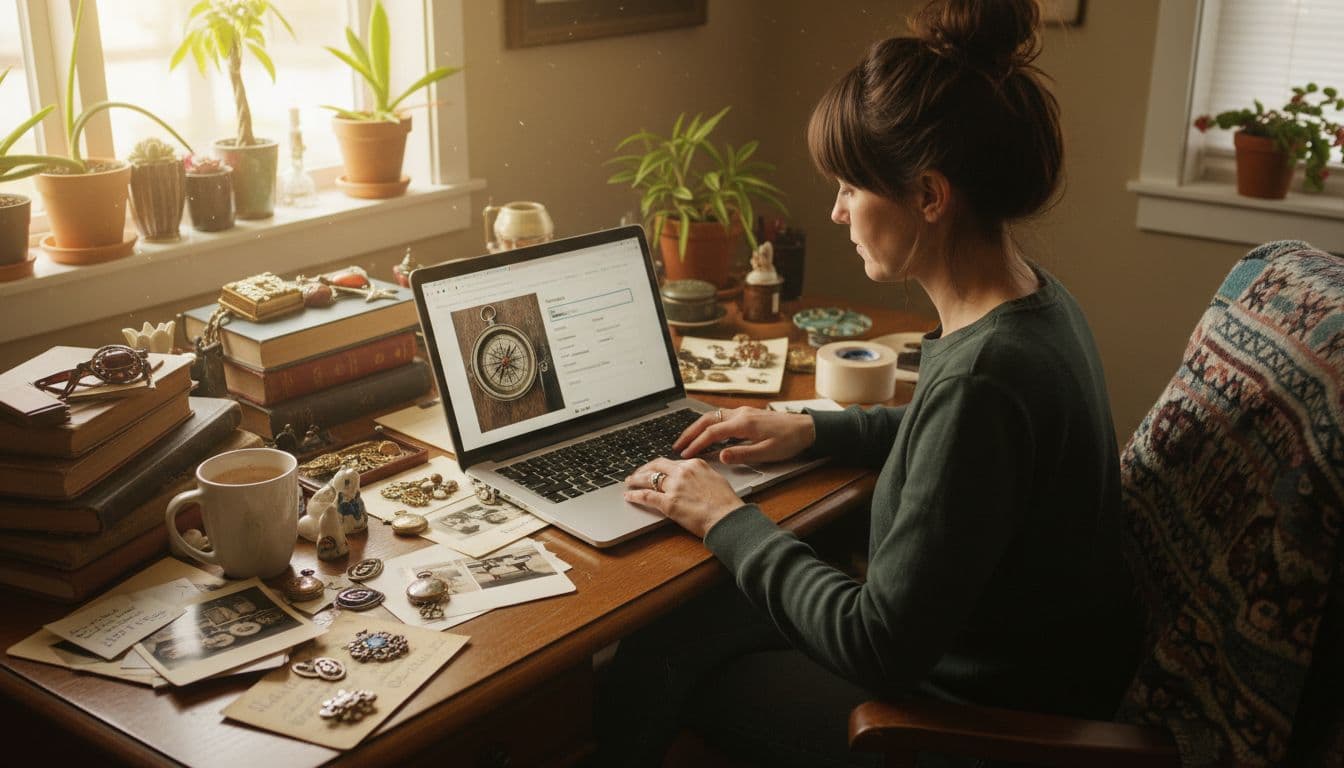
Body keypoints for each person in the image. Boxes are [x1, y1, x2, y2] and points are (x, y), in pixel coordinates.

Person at [598, 1, 1142, 766]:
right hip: (1023, 671)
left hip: (967, 723)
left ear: (928, 195)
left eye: (852, 186)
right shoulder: (1034, 307)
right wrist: (816, 428)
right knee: (687, 623)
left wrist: (724, 517)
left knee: (662, 658)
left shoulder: (985, 378)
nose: (837, 209)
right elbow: (958, 452)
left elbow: (875, 645)